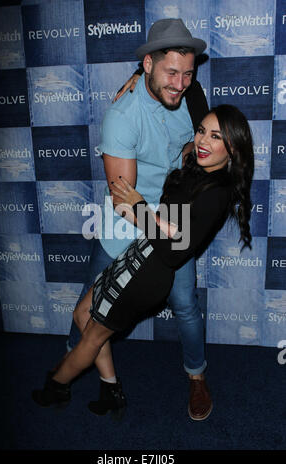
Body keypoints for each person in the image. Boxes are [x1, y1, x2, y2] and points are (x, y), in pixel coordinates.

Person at [32, 105, 254, 423]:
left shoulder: (216, 193)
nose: (203, 140)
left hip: (150, 275)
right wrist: (138, 77)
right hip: (138, 252)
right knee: (81, 313)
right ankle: (111, 390)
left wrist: (137, 211)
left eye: (216, 136)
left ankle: (56, 387)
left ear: (232, 148)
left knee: (93, 334)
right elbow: (171, 224)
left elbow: (175, 250)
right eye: (202, 130)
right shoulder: (197, 166)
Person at [40, 18, 212, 421]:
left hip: (171, 214)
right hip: (127, 220)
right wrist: (169, 237)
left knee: (186, 304)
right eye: (172, 72)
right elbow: (124, 201)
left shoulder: (190, 95)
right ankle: (71, 369)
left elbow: (208, 141)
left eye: (188, 73)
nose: (181, 83)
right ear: (148, 64)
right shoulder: (123, 115)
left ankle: (197, 376)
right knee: (89, 306)